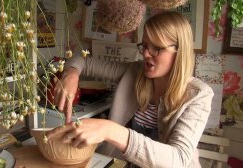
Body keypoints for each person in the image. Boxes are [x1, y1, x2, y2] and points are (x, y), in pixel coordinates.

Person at [47, 11, 214, 168]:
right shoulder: (134, 72)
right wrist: (71, 74)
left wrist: (108, 129)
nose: (146, 54)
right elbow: (82, 60)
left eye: (156, 48)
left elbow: (178, 159)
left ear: (180, 52)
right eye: (145, 45)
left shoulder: (199, 95)